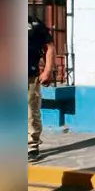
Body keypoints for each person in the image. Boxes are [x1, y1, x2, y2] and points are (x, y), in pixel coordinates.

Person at [28, 14, 55, 161]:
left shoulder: (34, 24)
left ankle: (31, 147)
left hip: (29, 74)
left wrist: (47, 70)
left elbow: (49, 47)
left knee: (31, 111)